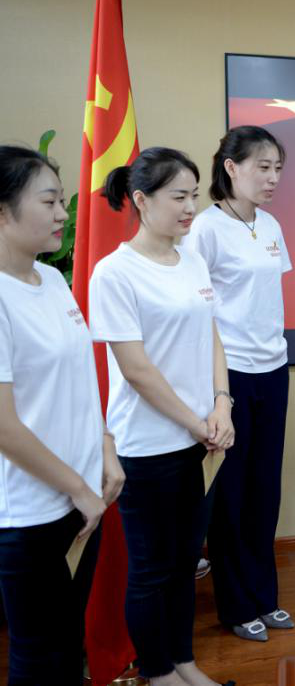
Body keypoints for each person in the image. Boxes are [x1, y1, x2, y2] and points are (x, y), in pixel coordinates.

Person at [90, 147, 236, 686]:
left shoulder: (190, 259)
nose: (190, 207)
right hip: (149, 445)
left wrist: (221, 402)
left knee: (184, 562)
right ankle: (157, 672)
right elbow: (136, 370)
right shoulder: (115, 272)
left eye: (194, 195)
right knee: (152, 569)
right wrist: (197, 423)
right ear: (141, 200)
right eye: (178, 196)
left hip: (202, 440)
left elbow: (212, 334)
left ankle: (184, 662)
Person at [0, 146, 124, 684]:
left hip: (81, 498)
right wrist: (77, 488)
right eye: (48, 202)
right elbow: (4, 427)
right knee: (38, 655)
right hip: (31, 512)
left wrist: (105, 446)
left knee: (67, 643)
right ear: (2, 213)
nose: (62, 214)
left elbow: (80, 382)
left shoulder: (50, 280)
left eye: (62, 201)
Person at [185, 126, 294, 643]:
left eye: (277, 169)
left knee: (265, 488)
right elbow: (197, 312)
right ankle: (235, 605)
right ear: (230, 167)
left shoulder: (270, 224)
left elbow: (268, 299)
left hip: (274, 368)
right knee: (231, 493)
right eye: (262, 167)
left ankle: (264, 597)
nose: (273, 178)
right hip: (228, 376)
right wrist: (216, 390)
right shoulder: (204, 229)